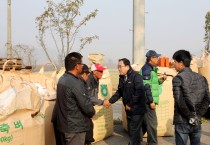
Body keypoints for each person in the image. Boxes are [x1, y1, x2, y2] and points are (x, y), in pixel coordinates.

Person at [51, 52, 95, 145]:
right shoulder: (75, 83)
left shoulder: (62, 79)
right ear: (77, 66)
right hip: (75, 127)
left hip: (63, 125)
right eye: (81, 64)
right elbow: (86, 105)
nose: (82, 67)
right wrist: (92, 112)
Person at [104, 58, 146, 145]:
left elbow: (139, 91)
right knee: (132, 130)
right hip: (129, 110)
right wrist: (110, 101)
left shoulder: (136, 76)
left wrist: (130, 104)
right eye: (117, 67)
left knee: (134, 131)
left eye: (120, 67)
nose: (119, 69)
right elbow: (119, 92)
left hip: (137, 109)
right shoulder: (122, 78)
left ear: (127, 66)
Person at [172, 50, 210, 145]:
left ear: (181, 62)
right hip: (197, 121)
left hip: (182, 121)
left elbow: (179, 101)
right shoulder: (202, 78)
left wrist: (190, 117)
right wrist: (198, 116)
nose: (174, 64)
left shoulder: (178, 78)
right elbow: (207, 99)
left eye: (175, 62)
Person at [139, 50, 167, 145]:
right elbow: (146, 86)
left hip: (146, 101)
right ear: (151, 58)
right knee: (152, 124)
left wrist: (161, 80)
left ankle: (136, 141)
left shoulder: (151, 69)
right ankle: (152, 143)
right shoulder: (147, 69)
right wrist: (151, 101)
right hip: (147, 101)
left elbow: (152, 84)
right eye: (156, 57)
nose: (158, 59)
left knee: (144, 124)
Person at [84, 63, 106, 145]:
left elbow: (93, 96)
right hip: (84, 107)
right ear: (94, 71)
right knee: (88, 127)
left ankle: (88, 142)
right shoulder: (88, 80)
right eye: (99, 71)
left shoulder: (96, 80)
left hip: (89, 106)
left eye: (102, 71)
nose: (101, 73)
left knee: (89, 127)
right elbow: (88, 97)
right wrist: (102, 102)